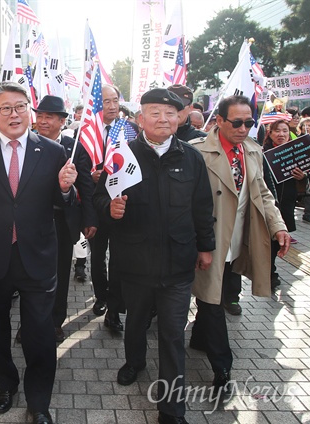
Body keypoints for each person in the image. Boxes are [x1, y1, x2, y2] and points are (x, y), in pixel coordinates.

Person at [94, 88, 215, 424]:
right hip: (133, 262)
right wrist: (111, 209)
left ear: (179, 118)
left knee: (173, 334)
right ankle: (134, 362)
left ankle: (172, 408)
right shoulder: (123, 156)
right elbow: (100, 200)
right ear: (140, 118)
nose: (163, 118)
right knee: (135, 321)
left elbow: (202, 208)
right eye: (155, 112)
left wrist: (206, 247)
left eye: (170, 113)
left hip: (178, 263)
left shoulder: (191, 158)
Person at [0, 81, 78, 424]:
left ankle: (39, 401)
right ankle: (6, 384)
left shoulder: (54, 152)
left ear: (30, 110)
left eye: (21, 106)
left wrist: (67, 191)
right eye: (6, 108)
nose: (14, 114)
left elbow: (63, 206)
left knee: (40, 334)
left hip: (38, 257)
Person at [189, 95, 290, 399]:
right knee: (211, 300)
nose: (244, 128)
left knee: (215, 297)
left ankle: (197, 339)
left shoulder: (254, 152)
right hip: (209, 241)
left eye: (249, 122)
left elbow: (262, 193)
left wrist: (279, 226)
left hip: (239, 240)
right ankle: (223, 369)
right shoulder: (196, 153)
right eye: (237, 122)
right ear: (219, 121)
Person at [33, 95, 97, 342]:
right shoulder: (26, 143)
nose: (43, 121)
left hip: (61, 222)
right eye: (39, 115)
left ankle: (55, 322)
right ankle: (31, 322)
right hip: (32, 220)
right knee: (31, 275)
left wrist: (89, 218)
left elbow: (86, 186)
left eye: (49, 116)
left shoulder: (75, 146)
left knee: (58, 273)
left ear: (62, 121)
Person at [89, 84, 123, 331]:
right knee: (99, 256)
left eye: (115, 101)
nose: (111, 106)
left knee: (120, 259)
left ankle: (115, 308)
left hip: (122, 206)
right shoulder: (86, 133)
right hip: (96, 205)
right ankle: (101, 295)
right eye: (106, 101)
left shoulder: (129, 130)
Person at [263, 119, 306, 278]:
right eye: (277, 131)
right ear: (270, 133)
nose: (281, 134)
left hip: (287, 200)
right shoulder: (262, 152)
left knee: (279, 235)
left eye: (285, 131)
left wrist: (303, 176)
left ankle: (271, 270)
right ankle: (268, 271)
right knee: (268, 236)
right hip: (268, 201)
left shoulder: (297, 152)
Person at [298, 117, 310, 224]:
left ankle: (308, 214)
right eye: (305, 125)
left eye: (309, 125)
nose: (307, 127)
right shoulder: (297, 140)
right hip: (301, 171)